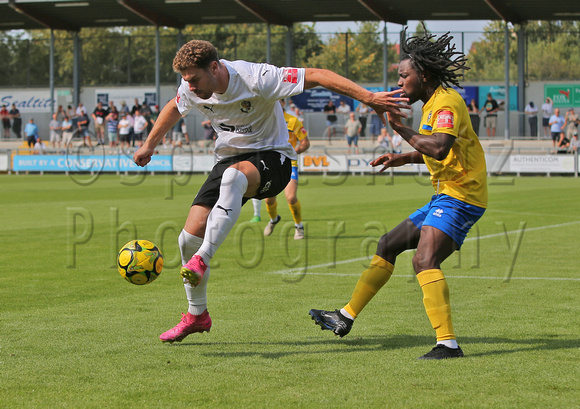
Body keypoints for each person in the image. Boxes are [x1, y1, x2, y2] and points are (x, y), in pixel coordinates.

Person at [132, 39, 407, 344]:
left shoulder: (256, 77)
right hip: (229, 160)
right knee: (188, 239)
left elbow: (315, 75)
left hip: (273, 158)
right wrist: (149, 144)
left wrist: (368, 97)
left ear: (214, 67)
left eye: (194, 79)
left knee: (232, 182)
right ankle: (197, 316)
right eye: (185, 81)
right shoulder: (191, 89)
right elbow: (174, 107)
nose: (190, 87)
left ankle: (203, 258)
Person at [309, 27, 487, 360]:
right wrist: (400, 157)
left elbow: (438, 148)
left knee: (424, 260)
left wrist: (399, 128)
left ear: (424, 75)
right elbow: (435, 149)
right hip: (446, 194)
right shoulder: (433, 103)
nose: (400, 82)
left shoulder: (446, 102)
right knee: (388, 244)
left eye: (404, 76)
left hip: (462, 195)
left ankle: (447, 344)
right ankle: (345, 316)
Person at [262, 99, 311, 239]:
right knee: (268, 200)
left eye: (280, 100)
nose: (277, 102)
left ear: (283, 103)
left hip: (290, 164)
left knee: (290, 197)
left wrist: (294, 151)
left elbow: (306, 143)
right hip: (271, 164)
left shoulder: (293, 121)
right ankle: (273, 219)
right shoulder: (265, 119)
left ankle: (298, 226)